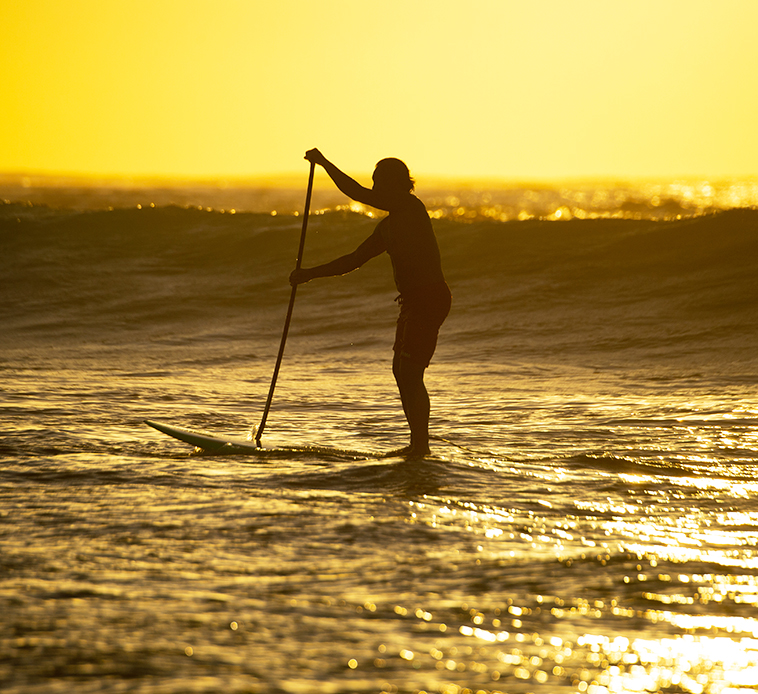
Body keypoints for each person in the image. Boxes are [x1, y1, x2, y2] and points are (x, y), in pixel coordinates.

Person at [289, 149, 451, 458]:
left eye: (379, 183)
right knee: (400, 370)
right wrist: (308, 274)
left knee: (410, 371)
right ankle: (417, 443)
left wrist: (325, 164)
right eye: (374, 183)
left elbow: (357, 193)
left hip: (430, 298)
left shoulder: (410, 206)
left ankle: (421, 447)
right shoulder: (387, 228)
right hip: (411, 302)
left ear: (397, 185)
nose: (374, 188)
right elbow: (353, 260)